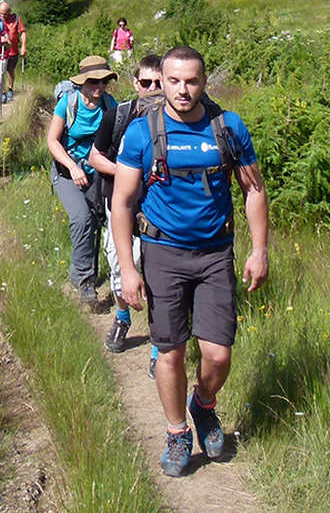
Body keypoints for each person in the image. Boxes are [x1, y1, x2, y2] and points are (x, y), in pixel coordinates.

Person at [111, 46, 269, 478]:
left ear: (204, 82)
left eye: (192, 81)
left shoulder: (228, 128)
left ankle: (203, 404)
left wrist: (259, 250)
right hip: (163, 253)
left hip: (216, 252)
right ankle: (177, 431)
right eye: (174, 81)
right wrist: (128, 268)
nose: (183, 90)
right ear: (161, 81)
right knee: (171, 352)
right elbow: (122, 203)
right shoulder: (144, 133)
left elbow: (253, 189)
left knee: (217, 355)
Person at [88, 54, 161, 355]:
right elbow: (94, 157)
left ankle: (161, 343)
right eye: (146, 82)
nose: (153, 88)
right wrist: (127, 173)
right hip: (119, 205)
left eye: (159, 82)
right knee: (120, 266)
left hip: (159, 210)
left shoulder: (179, 120)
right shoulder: (118, 115)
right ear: (136, 83)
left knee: (160, 274)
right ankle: (122, 316)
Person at [47, 55, 118, 307]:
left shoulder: (110, 105)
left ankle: (93, 269)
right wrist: (72, 166)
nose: (99, 88)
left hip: (97, 171)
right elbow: (53, 141)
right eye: (93, 82)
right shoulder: (68, 103)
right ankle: (83, 278)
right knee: (81, 218)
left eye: (103, 82)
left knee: (98, 219)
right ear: (82, 83)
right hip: (66, 171)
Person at [0, 0, 27, 98]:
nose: (3, 16)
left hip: (13, 51)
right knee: (1, 72)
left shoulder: (16, 19)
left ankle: (10, 89)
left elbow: (22, 32)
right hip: (0, 52)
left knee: (10, 70)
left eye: (5, 14)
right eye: (1, 14)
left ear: (9, 12)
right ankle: (2, 92)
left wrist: (23, 46)